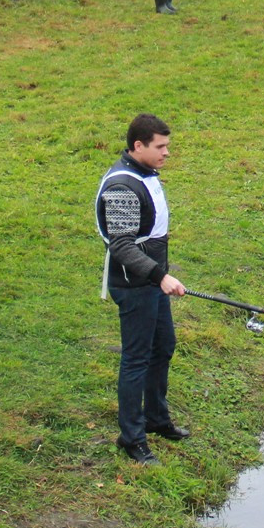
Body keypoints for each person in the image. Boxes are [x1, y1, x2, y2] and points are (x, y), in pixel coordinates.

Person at [96, 112, 189, 467]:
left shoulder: (145, 174)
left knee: (163, 346)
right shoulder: (122, 187)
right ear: (139, 146)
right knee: (136, 358)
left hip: (151, 280)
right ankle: (131, 437)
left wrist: (159, 276)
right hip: (135, 285)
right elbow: (121, 246)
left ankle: (156, 419)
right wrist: (159, 276)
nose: (167, 153)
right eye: (161, 147)